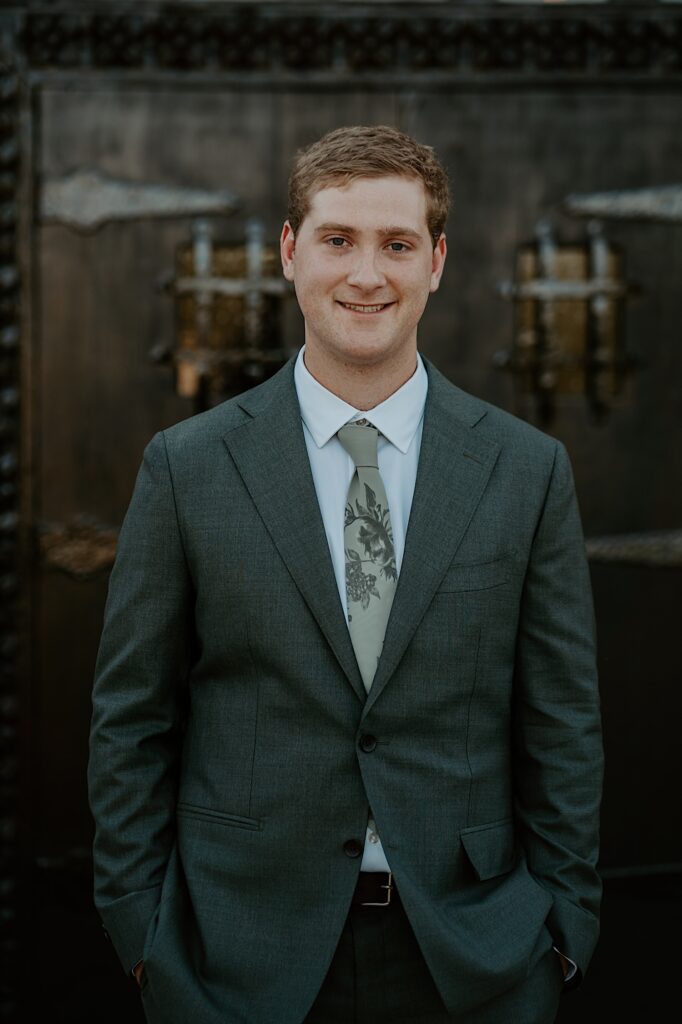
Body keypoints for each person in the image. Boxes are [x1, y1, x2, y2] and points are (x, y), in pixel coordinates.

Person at [88, 125, 603, 1024]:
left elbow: (561, 721)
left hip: (476, 960)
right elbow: (132, 718)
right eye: (338, 240)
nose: (367, 275)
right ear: (291, 252)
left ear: (436, 261)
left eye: (397, 244)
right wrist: (144, 939)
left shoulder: (527, 471)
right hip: (236, 959)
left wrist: (561, 933)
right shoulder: (189, 466)